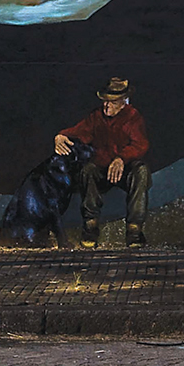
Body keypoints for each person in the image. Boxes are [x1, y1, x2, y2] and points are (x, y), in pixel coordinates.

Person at [54, 76, 151, 248]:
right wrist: (61, 135)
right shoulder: (96, 117)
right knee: (88, 170)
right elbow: (80, 131)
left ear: (122, 102)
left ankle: (134, 230)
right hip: (101, 169)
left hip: (125, 169)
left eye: (112, 102)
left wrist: (121, 159)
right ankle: (90, 228)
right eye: (105, 101)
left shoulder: (133, 117)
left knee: (141, 171)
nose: (106, 106)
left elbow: (140, 144)